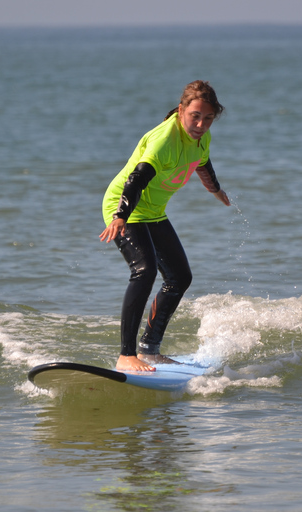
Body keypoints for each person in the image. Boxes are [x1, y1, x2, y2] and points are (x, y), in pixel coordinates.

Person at [99, 80, 231, 372]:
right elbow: (136, 179)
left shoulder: (201, 139)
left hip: (153, 211)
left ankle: (149, 349)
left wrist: (215, 190)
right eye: (194, 115)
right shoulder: (164, 140)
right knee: (144, 271)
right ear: (181, 109)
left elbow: (202, 163)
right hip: (126, 207)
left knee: (180, 277)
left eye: (208, 118)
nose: (200, 124)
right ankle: (126, 354)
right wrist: (120, 216)